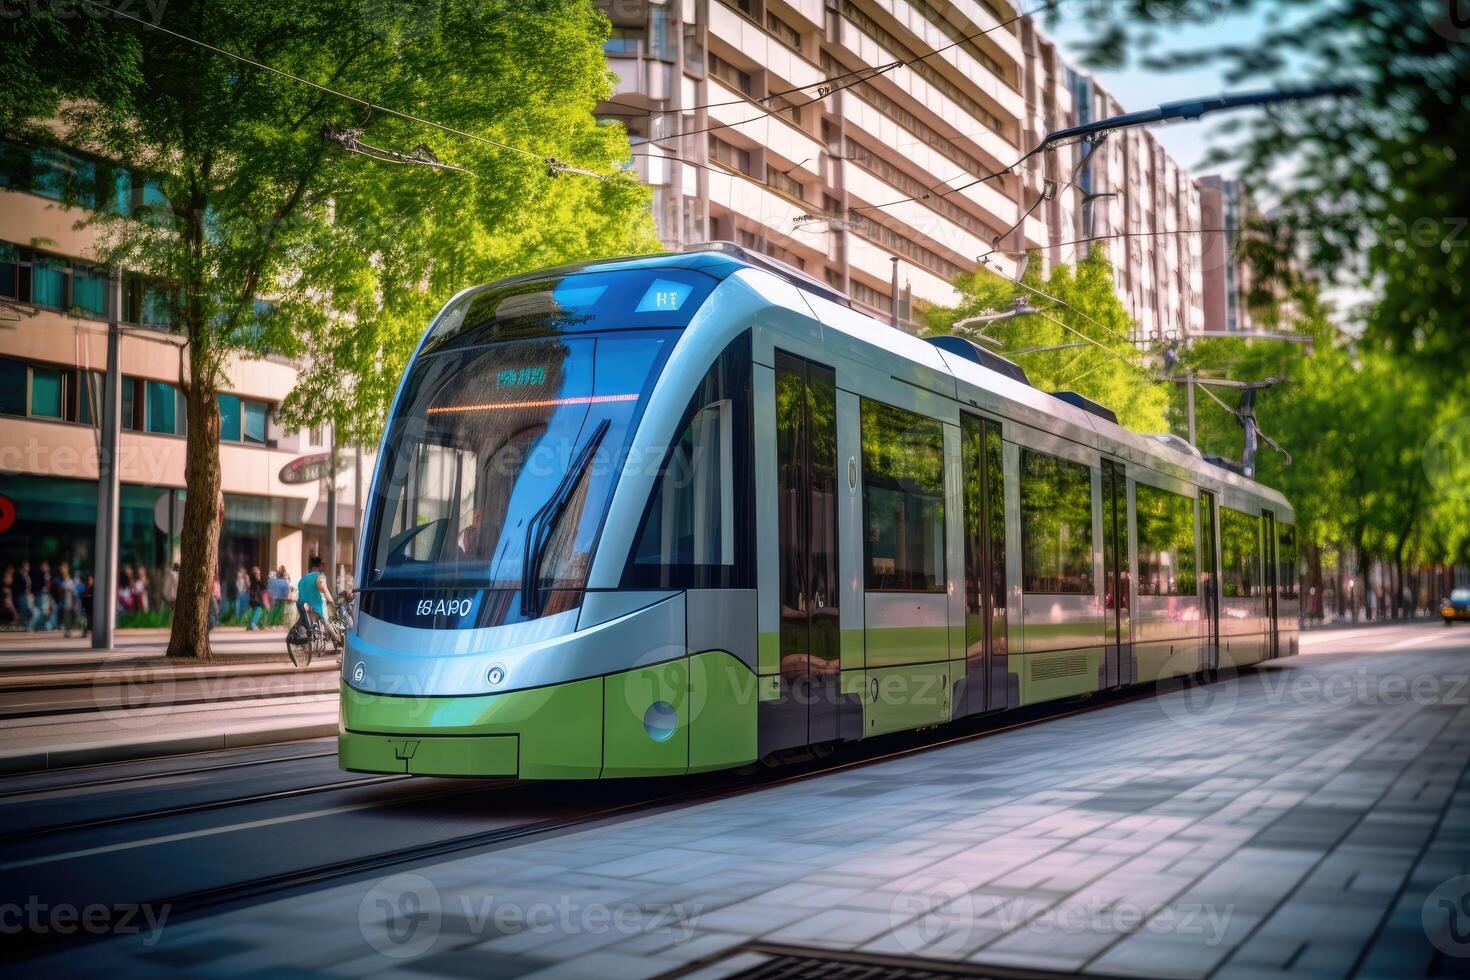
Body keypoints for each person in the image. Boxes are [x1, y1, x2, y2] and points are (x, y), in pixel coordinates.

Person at [296, 554, 340, 647]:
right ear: (319, 566)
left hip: (302, 605)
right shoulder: (320, 577)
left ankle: (312, 629)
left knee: (309, 618)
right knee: (327, 620)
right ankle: (337, 639)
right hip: (316, 604)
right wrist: (332, 602)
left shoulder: (303, 579)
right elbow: (325, 591)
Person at [55, 562, 79, 637]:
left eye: (64, 568)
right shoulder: (60, 580)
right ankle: (67, 630)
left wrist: (73, 603)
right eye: (61, 568)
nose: (62, 570)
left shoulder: (70, 581)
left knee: (69, 616)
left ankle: (68, 630)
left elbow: (73, 593)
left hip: (69, 600)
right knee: (66, 616)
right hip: (64, 601)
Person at [246, 566, 266, 631]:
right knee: (259, 609)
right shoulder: (252, 579)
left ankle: (251, 625)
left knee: (256, 611)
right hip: (255, 598)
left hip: (258, 598)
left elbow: (264, 587)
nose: (257, 572)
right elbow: (252, 588)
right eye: (255, 571)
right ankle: (253, 623)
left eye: (257, 570)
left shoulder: (261, 579)